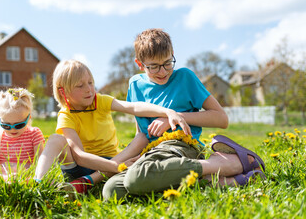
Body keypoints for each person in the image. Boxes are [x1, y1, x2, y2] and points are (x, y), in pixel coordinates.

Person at [102, 28, 266, 200]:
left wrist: (174, 118)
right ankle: (217, 181)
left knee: (135, 179)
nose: (163, 72)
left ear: (172, 54)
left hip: (180, 146)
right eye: (154, 67)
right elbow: (141, 133)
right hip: (151, 153)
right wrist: (129, 159)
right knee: (112, 191)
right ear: (140, 64)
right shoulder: (135, 85)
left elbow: (221, 118)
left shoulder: (185, 78)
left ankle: (221, 164)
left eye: (167, 63)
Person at [33, 60, 191, 194]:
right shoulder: (65, 115)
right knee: (55, 139)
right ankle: (38, 183)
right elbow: (80, 156)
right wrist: (116, 167)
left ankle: (89, 181)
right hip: (82, 166)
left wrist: (167, 111)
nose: (89, 89)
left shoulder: (99, 101)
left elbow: (133, 107)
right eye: (80, 86)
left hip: (111, 158)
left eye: (90, 82)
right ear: (63, 92)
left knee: (142, 138)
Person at [0, 88, 45, 183]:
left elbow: (40, 165)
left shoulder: (34, 134)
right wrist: (4, 177)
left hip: (27, 176)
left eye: (19, 125)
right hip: (2, 177)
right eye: (6, 126)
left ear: (29, 118)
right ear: (0, 120)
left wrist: (23, 174)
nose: (12, 129)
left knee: (43, 178)